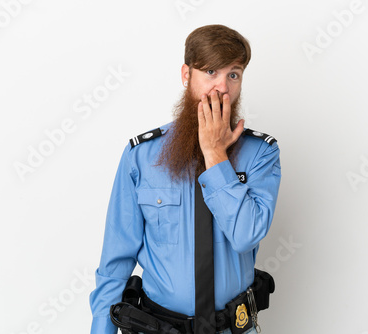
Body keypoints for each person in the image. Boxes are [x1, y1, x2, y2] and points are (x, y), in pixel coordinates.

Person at [89, 24, 282, 334]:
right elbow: (116, 261)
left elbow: (246, 235)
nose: (222, 87)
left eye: (233, 74)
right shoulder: (141, 156)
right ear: (186, 75)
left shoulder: (261, 154)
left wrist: (215, 155)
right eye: (210, 72)